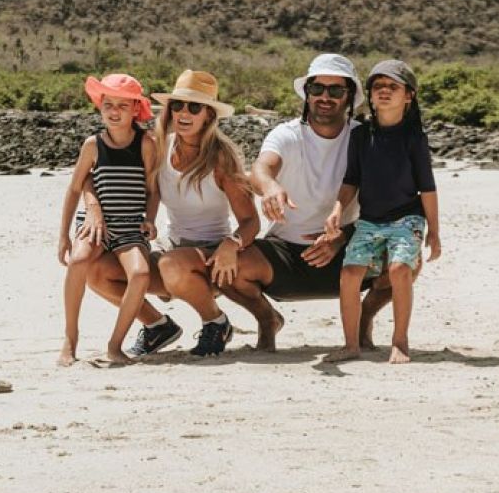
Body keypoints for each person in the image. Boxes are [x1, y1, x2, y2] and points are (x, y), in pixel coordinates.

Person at [220, 53, 395, 350]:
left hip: (349, 249)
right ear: (307, 93)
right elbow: (262, 168)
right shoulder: (286, 134)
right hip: (285, 254)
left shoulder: (365, 139)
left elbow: (385, 203)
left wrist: (342, 237)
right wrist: (272, 187)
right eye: (317, 89)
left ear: (350, 96)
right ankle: (267, 320)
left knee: (406, 258)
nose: (325, 97)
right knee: (224, 267)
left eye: (336, 90)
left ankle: (363, 320)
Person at [86, 70, 260, 357]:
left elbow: (251, 221)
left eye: (194, 107)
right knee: (97, 272)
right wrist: (93, 207)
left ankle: (216, 322)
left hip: (214, 259)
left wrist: (232, 243)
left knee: (169, 265)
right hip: (172, 252)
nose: (183, 113)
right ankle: (157, 326)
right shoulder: (157, 146)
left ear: (208, 115)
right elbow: (94, 169)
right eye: (177, 105)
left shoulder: (221, 159)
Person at [322, 60, 441, 364]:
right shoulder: (360, 136)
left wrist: (435, 234)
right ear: (370, 96)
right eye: (378, 87)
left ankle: (399, 341)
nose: (384, 91)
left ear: (409, 96)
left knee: (400, 268)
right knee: (349, 273)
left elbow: (427, 188)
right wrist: (337, 209)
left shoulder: (415, 138)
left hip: (407, 217)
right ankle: (351, 345)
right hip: (370, 219)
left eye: (393, 86)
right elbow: (351, 180)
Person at [56, 72, 159, 366]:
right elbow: (75, 188)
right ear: (100, 107)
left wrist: (150, 219)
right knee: (78, 261)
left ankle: (115, 345)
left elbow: (153, 189)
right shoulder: (93, 145)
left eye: (123, 106)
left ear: (135, 110)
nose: (114, 112)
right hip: (94, 224)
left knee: (139, 274)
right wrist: (64, 235)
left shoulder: (146, 144)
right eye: (108, 105)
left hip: (129, 225)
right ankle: (70, 338)